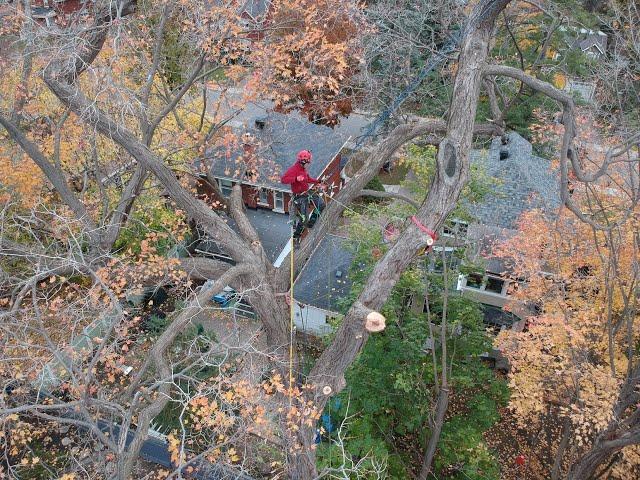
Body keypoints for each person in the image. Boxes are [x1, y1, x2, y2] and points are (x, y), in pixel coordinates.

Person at [280, 150, 325, 237]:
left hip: (307, 193)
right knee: (304, 219)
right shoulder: (293, 169)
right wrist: (296, 179)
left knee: (321, 204)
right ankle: (296, 235)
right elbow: (283, 180)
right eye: (308, 162)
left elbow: (308, 179)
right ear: (304, 161)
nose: (309, 164)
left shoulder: (303, 169)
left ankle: (311, 223)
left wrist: (319, 181)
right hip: (299, 196)